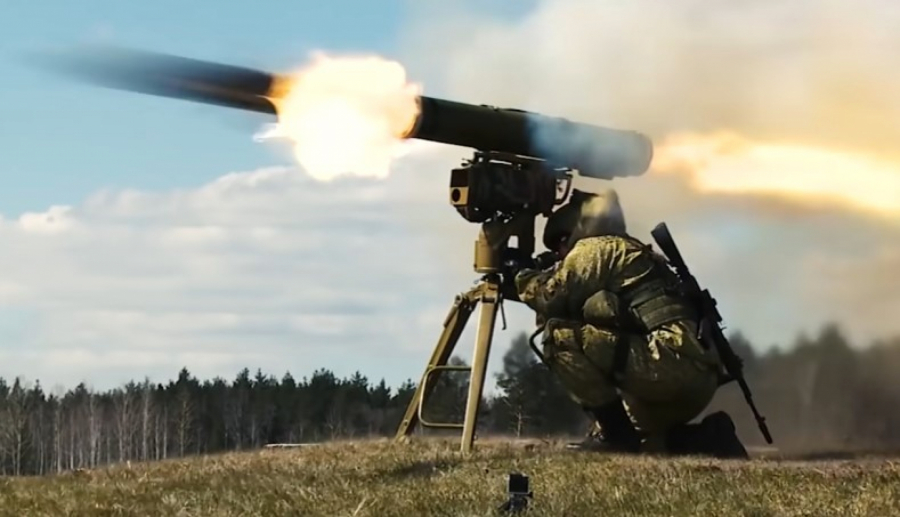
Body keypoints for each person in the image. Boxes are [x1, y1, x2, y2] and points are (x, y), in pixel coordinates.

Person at [506, 188, 748, 459]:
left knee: (558, 337)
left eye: (560, 245)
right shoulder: (631, 251)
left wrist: (520, 275)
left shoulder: (596, 248)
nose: (560, 255)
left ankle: (616, 437)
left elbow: (549, 296)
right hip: (694, 376)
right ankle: (710, 438)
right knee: (642, 443)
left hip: (667, 364)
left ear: (576, 231)